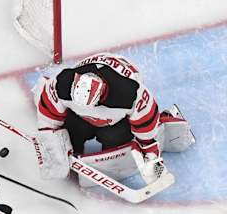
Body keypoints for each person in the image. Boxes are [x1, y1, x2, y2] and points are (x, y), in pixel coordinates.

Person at [32, 52, 195, 186]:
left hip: (115, 122)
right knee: (74, 130)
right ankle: (76, 145)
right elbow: (48, 111)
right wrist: (50, 140)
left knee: (114, 140)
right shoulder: (62, 84)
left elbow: (145, 120)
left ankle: (166, 118)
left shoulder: (129, 94)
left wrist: (150, 153)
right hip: (80, 117)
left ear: (101, 94)